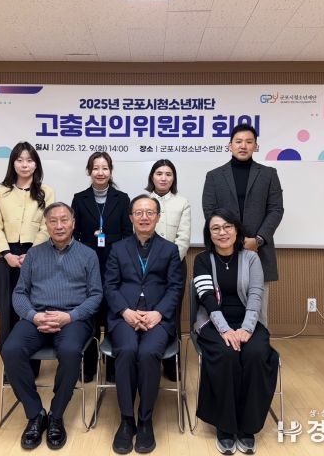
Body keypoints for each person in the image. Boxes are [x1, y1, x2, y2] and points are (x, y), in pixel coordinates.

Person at [1, 202, 102, 450]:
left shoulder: (88, 255)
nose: (59, 225)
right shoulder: (34, 255)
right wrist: (34, 316)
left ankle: (56, 415)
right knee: (11, 349)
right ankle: (35, 413)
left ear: (73, 223)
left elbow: (96, 295)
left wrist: (70, 316)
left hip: (73, 320)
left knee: (70, 352)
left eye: (64, 220)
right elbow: (20, 293)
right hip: (37, 317)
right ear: (45, 225)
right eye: (53, 221)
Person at [192, 209, 278, 455]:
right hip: (213, 322)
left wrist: (246, 328)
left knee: (255, 354)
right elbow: (207, 299)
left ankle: (247, 427)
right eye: (215, 228)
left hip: (248, 321)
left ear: (237, 230)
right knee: (226, 354)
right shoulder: (202, 260)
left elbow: (256, 295)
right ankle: (225, 426)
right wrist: (226, 330)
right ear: (209, 234)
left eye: (227, 227)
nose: (222, 232)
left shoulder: (251, 258)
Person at [104, 195, 183, 454]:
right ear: (131, 218)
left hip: (157, 317)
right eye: (138, 213)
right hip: (124, 316)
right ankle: (127, 419)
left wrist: (159, 313)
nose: (144, 217)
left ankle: (145, 419)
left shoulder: (170, 250)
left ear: (158, 217)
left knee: (148, 353)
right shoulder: (118, 248)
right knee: (126, 351)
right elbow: (110, 286)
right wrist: (125, 311)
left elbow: (175, 287)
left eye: (150, 212)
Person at [202, 124, 284, 319]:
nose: (243, 146)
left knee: (258, 310)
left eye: (249, 142)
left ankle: (258, 339)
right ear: (229, 145)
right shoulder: (214, 176)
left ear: (256, 146)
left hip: (258, 249)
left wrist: (258, 239)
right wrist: (230, 238)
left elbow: (276, 209)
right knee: (224, 307)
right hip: (224, 249)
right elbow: (210, 211)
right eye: (238, 141)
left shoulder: (269, 174)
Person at [0, 141, 55, 359]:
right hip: (7, 255)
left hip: (36, 254)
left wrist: (32, 254)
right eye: (19, 160)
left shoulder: (46, 192)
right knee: (7, 308)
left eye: (29, 160)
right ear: (13, 163)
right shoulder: (0, 191)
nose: (24, 165)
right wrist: (6, 254)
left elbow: (47, 225)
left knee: (33, 307)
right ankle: (9, 361)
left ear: (36, 164)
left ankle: (31, 360)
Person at [71, 152, 133, 381]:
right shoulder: (79, 199)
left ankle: (113, 370)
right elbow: (74, 234)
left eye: (105, 168)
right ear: (89, 171)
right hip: (87, 266)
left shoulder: (122, 198)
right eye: (96, 168)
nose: (100, 172)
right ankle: (88, 368)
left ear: (110, 171)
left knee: (114, 316)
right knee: (90, 317)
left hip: (115, 266)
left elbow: (128, 234)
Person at [145, 159, 190, 381]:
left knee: (172, 313)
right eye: (159, 173)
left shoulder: (182, 203)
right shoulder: (143, 200)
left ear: (174, 178)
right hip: (145, 267)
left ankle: (172, 366)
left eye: (168, 174)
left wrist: (167, 262)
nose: (163, 178)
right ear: (152, 176)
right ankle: (148, 358)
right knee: (149, 310)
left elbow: (183, 238)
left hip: (175, 267)